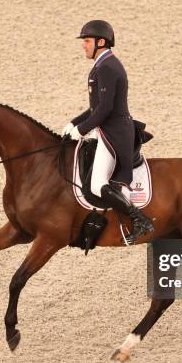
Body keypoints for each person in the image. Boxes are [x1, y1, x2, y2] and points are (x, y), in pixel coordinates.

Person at [62, 20, 154, 243]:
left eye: (87, 41)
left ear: (100, 42)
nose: (83, 45)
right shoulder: (102, 66)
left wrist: (82, 130)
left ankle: (140, 220)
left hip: (114, 134)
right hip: (108, 129)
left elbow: (105, 109)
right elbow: (95, 107)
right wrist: (73, 123)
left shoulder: (108, 67)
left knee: (97, 184)